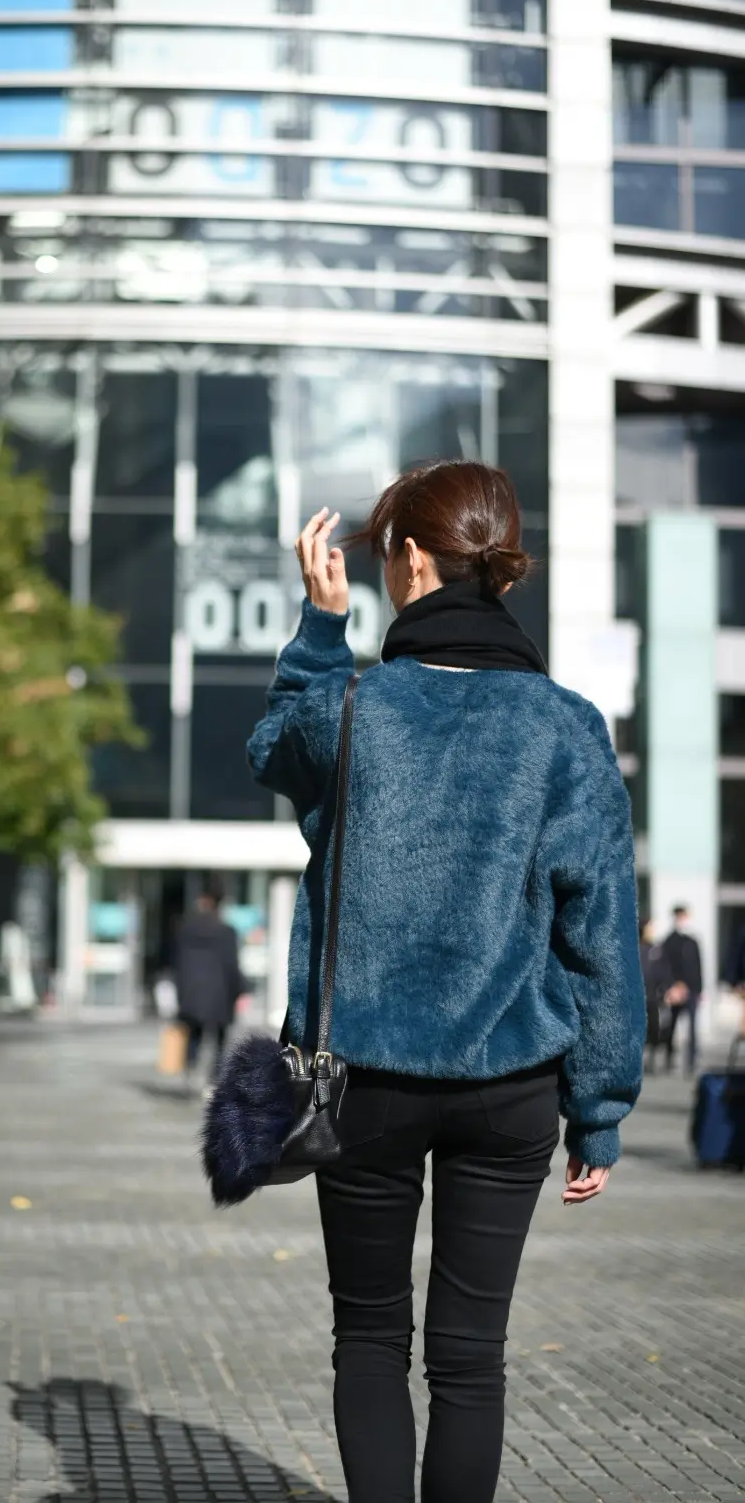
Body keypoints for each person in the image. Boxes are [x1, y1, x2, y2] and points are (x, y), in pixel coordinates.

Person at [247, 461, 644, 1503]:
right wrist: (597, 1113)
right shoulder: (566, 725)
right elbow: (599, 929)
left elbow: (272, 756)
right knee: (470, 1358)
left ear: (412, 560)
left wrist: (319, 631)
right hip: (511, 1082)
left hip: (364, 1078)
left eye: (384, 556)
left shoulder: (352, 704)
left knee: (371, 1340)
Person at [174, 884, 246, 1091]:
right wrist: (239, 991)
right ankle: (213, 1081)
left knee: (194, 1035)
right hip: (220, 994)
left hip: (192, 993)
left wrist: (180, 992)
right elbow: (231, 964)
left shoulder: (186, 929)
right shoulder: (226, 931)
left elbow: (178, 964)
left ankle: (189, 1072)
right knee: (219, 1039)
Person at [661, 904, 703, 1074]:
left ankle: (691, 1059)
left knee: (693, 1026)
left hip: (692, 990)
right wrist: (674, 984)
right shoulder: (669, 941)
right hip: (676, 990)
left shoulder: (693, 941)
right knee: (672, 1023)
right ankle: (669, 1055)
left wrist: (699, 989)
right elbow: (665, 966)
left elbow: (698, 967)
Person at [639, 917, 673, 1074]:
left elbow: (664, 972)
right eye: (650, 928)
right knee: (640, 1030)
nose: (652, 931)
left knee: (655, 1028)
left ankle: (651, 1059)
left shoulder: (656, 950)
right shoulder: (635, 948)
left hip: (654, 997)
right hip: (639, 997)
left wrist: (665, 989)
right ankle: (641, 1059)